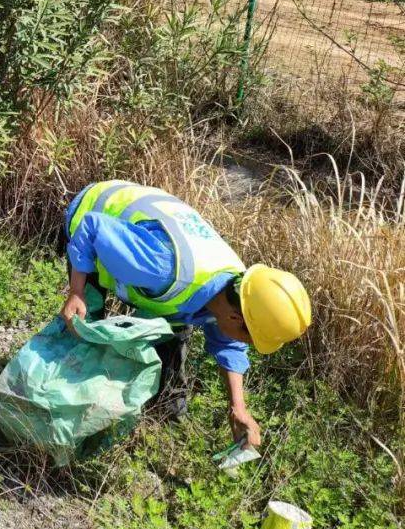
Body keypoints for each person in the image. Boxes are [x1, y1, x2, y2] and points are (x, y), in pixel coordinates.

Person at [59, 180, 312, 447]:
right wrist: (77, 291)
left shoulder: (235, 292)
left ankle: (162, 415)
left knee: (174, 327)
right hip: (97, 211)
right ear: (236, 319)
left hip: (149, 233)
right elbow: (91, 226)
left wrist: (238, 407)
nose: (244, 344)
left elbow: (229, 344)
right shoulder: (161, 269)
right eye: (249, 339)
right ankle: (66, 412)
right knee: (85, 324)